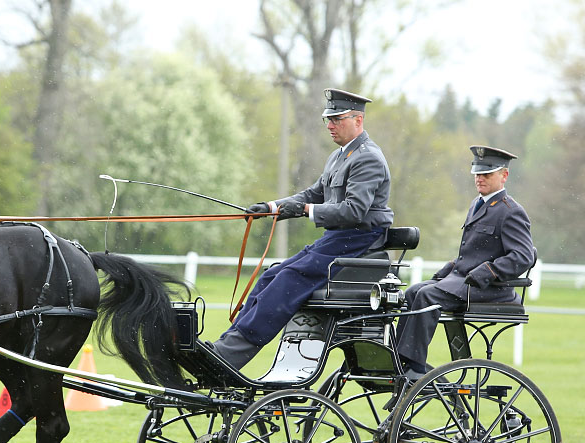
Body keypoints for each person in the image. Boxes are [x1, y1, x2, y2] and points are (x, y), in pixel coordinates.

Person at [211, 88, 393, 370]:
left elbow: (353, 211)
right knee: (272, 274)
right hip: (338, 239)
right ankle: (227, 344)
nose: (330, 126)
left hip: (359, 242)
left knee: (288, 278)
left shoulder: (368, 158)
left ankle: (229, 357)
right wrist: (271, 208)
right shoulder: (339, 157)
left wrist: (306, 211)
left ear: (358, 120)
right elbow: (312, 195)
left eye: (337, 119)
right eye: (328, 120)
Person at [395, 146, 534, 379]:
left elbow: (523, 256)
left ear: (504, 176)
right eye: (478, 174)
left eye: (487, 174)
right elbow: (472, 252)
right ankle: (400, 360)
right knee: (412, 292)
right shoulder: (477, 204)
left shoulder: (511, 212)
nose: (480, 179)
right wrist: (449, 269)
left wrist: (489, 271)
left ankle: (415, 367)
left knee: (427, 297)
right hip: (464, 281)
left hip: (489, 288)